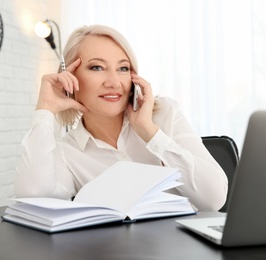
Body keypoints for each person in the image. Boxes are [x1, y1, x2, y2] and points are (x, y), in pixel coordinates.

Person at [14, 25, 227, 211]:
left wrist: (148, 132)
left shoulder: (165, 114)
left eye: (123, 68)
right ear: (70, 77)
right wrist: (46, 109)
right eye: (97, 67)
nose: (114, 82)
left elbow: (214, 199)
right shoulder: (67, 151)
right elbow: (34, 199)